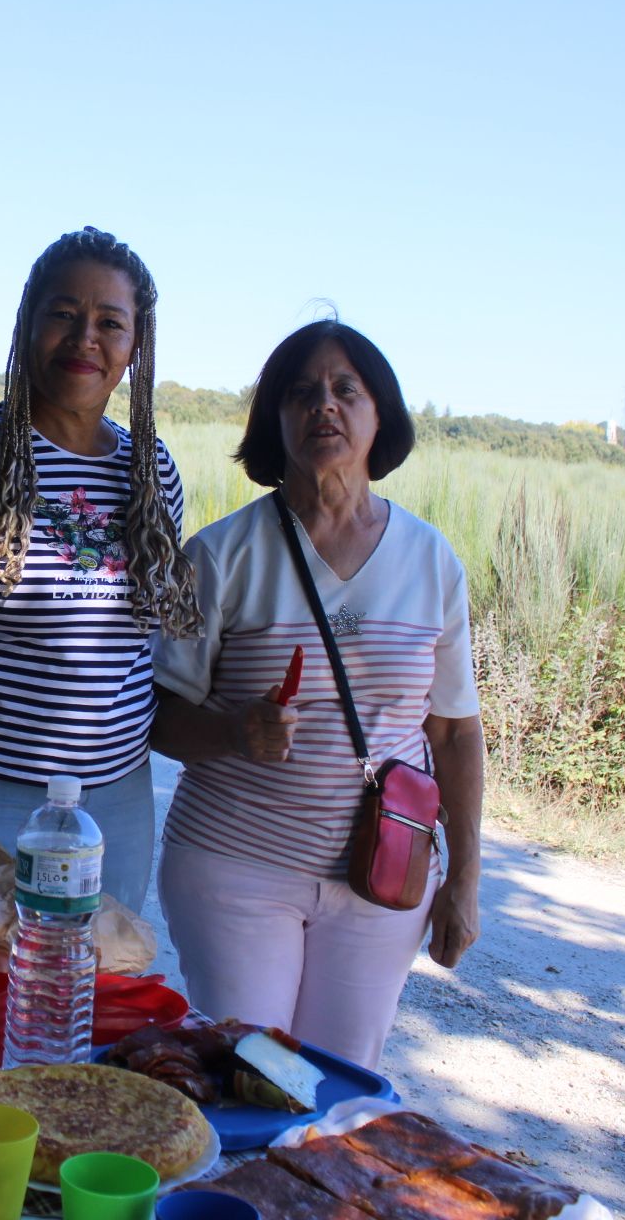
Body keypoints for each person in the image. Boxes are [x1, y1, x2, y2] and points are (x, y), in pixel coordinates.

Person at [149, 319, 485, 1071]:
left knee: (342, 1086)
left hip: (383, 876)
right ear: (276, 421)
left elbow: (455, 733)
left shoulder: (432, 560)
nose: (323, 407)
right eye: (300, 394)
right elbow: (160, 716)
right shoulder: (218, 555)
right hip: (234, 871)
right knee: (252, 1076)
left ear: (378, 416)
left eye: (345, 390)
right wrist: (237, 731)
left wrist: (463, 877)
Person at [0, 226, 199, 914]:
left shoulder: (153, 472)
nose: (86, 337)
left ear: (135, 347)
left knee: (91, 1000)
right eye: (63, 313)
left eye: (110, 322)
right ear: (26, 323)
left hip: (115, 805)